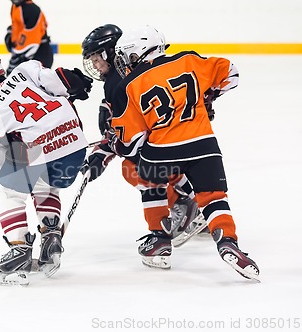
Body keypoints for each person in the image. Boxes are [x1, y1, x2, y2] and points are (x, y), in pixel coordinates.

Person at [109, 25, 260, 281]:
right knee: (213, 197)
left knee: (148, 179)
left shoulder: (128, 85)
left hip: (163, 150)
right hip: (205, 145)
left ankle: (159, 239)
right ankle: (228, 243)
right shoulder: (189, 60)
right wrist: (208, 98)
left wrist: (115, 143)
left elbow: (132, 144)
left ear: (136, 53)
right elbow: (231, 74)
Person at [0, 50, 93, 285]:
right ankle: (51, 238)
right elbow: (60, 85)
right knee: (44, 183)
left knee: (7, 191)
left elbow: (2, 161)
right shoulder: (25, 70)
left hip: (42, 152)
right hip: (75, 146)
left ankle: (19, 250)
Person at [80, 24, 201, 242]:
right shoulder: (126, 71)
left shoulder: (118, 82)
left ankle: (183, 204)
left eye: (97, 59)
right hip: (186, 131)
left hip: (164, 138)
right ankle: (199, 207)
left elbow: (128, 133)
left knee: (134, 167)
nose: (96, 66)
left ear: (109, 52)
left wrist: (103, 152)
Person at [5, 0, 53, 75]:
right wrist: (11, 35)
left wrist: (18, 56)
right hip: (25, 53)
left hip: (39, 54)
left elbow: (32, 42)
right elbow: (18, 27)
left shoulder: (32, 10)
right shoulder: (16, 6)